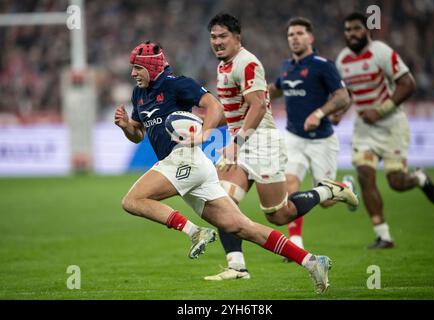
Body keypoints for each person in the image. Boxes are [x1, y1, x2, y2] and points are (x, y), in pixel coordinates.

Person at [114, 40, 339, 294]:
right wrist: (126, 126)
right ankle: (311, 261)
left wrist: (203, 133)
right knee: (242, 227)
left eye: (138, 68)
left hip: (184, 157)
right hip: (189, 166)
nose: (133, 73)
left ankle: (194, 232)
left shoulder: (177, 84)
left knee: (132, 200)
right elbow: (138, 133)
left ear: (152, 67)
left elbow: (215, 107)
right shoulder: (139, 94)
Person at [204, 13, 358, 281]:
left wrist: (237, 143)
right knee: (222, 204)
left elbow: (259, 105)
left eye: (223, 36)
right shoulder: (224, 66)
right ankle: (237, 266)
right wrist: (203, 128)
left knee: (278, 215)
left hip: (261, 143)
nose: (217, 42)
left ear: (237, 38)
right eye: (213, 37)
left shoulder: (247, 63)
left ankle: (331, 190)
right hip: (240, 143)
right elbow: (230, 110)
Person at [335, 12, 434, 249]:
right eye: (348, 30)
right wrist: (339, 112)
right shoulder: (342, 61)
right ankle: (384, 235)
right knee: (364, 174)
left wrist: (380, 111)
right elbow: (347, 94)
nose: (352, 34)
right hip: (364, 128)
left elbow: (408, 84)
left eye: (357, 29)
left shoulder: (381, 52)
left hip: (392, 124)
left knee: (396, 182)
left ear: (367, 30)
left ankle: (418, 178)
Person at [268, 17, 357, 254]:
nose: (294, 38)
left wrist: (319, 113)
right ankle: (296, 241)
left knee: (326, 201)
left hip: (322, 140)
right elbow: (275, 89)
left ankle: (346, 184)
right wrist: (256, 96)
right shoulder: (287, 66)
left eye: (299, 33)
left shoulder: (323, 65)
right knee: (289, 186)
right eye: (290, 34)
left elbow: (343, 96)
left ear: (310, 37)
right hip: (293, 137)